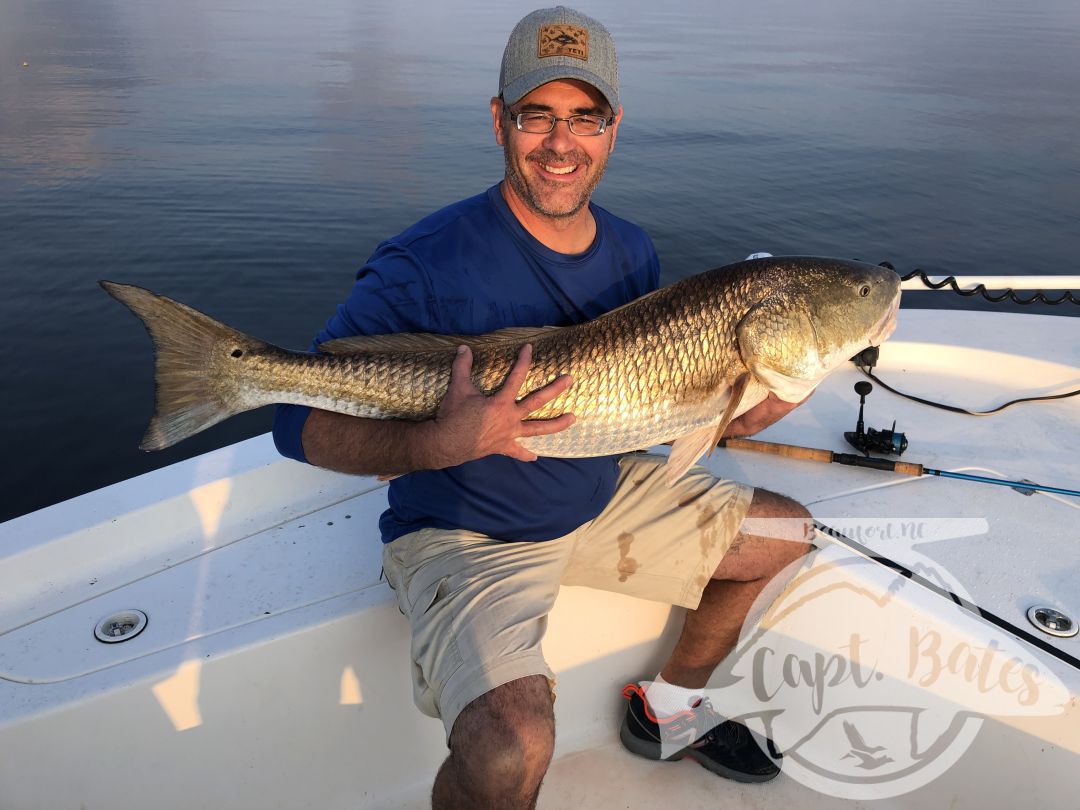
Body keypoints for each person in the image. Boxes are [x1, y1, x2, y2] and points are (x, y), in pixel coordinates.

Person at [273, 7, 814, 808]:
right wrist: (436, 443)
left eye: (584, 118)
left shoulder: (633, 251)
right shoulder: (423, 263)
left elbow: (662, 408)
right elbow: (293, 422)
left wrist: (751, 404)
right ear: (499, 121)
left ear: (613, 127)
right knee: (509, 753)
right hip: (466, 530)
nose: (561, 144)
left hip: (597, 491)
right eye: (537, 116)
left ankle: (665, 711)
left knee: (784, 534)